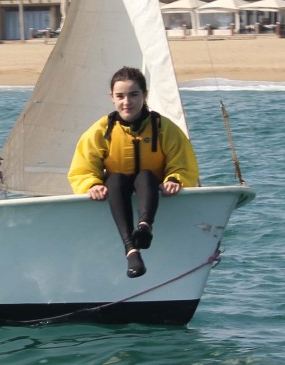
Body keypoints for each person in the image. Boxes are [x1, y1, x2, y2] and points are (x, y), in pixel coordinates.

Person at [69, 66, 200, 278]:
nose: (127, 102)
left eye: (133, 95)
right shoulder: (102, 130)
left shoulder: (163, 128)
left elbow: (183, 162)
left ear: (145, 95)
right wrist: (91, 185)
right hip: (117, 189)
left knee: (146, 176)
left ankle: (145, 226)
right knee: (115, 180)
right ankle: (131, 251)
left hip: (150, 188)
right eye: (120, 96)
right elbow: (82, 167)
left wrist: (176, 179)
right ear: (112, 97)